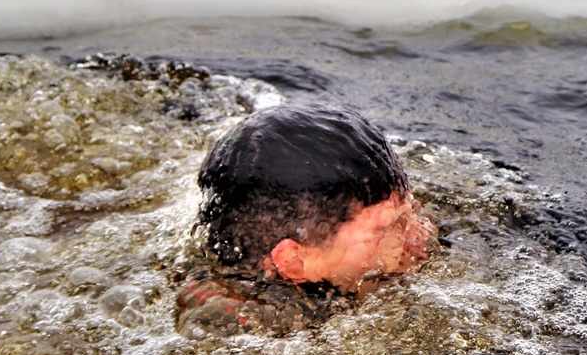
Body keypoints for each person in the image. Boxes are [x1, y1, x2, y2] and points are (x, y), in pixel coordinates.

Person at [176, 103, 435, 335]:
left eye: (410, 212)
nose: (421, 238)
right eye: (390, 229)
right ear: (294, 261)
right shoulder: (248, 335)